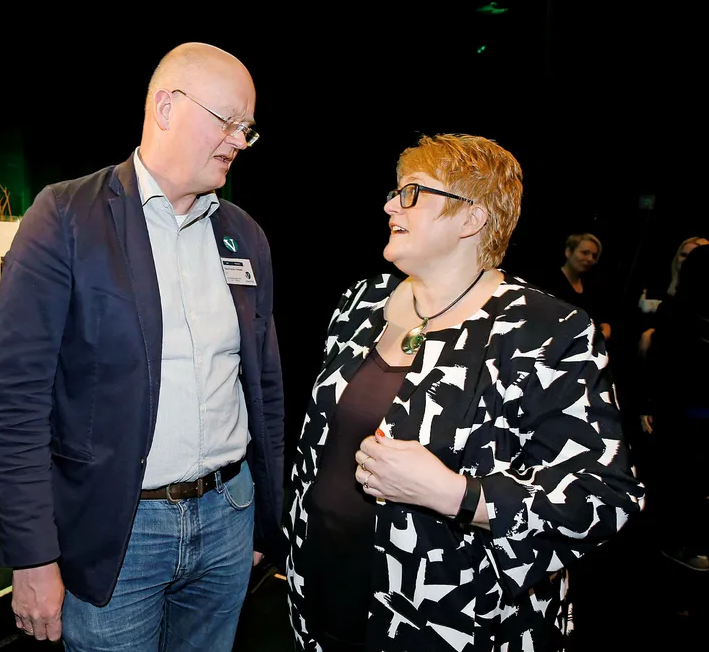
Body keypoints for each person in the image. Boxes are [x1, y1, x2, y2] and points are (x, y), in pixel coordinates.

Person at [284, 133, 645, 651]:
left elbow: (605, 498)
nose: (390, 204)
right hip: (318, 594)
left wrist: (456, 494)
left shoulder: (545, 328)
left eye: (412, 193)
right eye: (394, 192)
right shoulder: (361, 302)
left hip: (451, 621)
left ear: (472, 218)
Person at [0, 42, 285, 651]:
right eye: (228, 121)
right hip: (116, 534)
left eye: (247, 129)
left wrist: (263, 518)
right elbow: (16, 400)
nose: (238, 140)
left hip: (229, 515)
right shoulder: (66, 215)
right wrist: (33, 557)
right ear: (167, 107)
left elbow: (264, 390)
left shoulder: (244, 235)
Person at [638, 244, 709, 571]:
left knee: (687, 484)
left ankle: (675, 544)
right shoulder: (677, 310)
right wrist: (649, 404)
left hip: (691, 411)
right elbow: (662, 364)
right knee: (673, 483)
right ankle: (667, 548)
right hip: (679, 411)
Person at [536, 232, 613, 340]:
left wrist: (605, 328)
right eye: (584, 253)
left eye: (594, 256)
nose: (590, 259)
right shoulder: (548, 280)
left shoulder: (591, 287)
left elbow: (599, 318)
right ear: (568, 252)